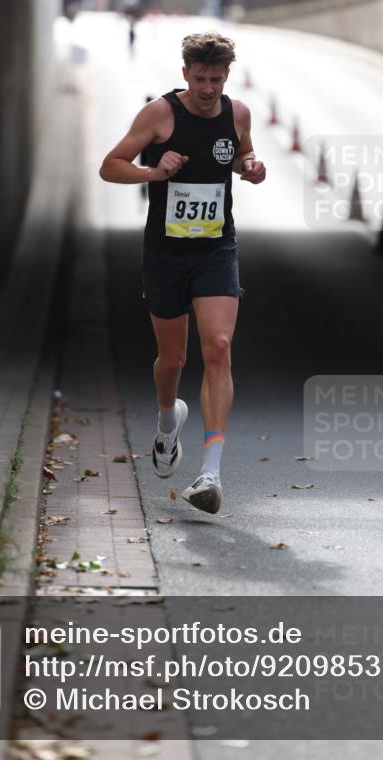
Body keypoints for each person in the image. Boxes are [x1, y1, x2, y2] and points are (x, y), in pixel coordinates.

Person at [99, 32, 266, 513]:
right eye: (200, 79)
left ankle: (210, 474)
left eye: (216, 79)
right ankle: (167, 424)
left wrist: (250, 166)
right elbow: (110, 166)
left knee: (218, 347)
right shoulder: (160, 114)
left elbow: (239, 154)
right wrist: (153, 172)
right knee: (172, 361)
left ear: (226, 76)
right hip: (166, 252)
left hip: (216, 246)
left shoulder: (238, 113)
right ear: (185, 74)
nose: (208, 88)